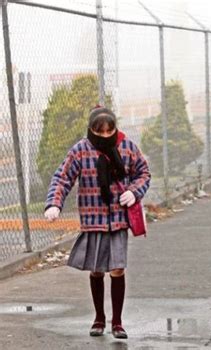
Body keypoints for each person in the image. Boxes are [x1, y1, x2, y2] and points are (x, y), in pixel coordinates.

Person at [44, 106, 151, 339]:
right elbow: (62, 177)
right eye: (99, 131)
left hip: (118, 220)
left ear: (115, 128)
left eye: (109, 131)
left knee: (117, 268)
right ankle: (99, 318)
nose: (104, 136)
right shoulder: (81, 150)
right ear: (91, 129)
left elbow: (143, 172)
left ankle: (118, 322)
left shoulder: (126, 146)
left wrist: (134, 191)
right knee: (96, 270)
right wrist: (54, 203)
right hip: (93, 219)